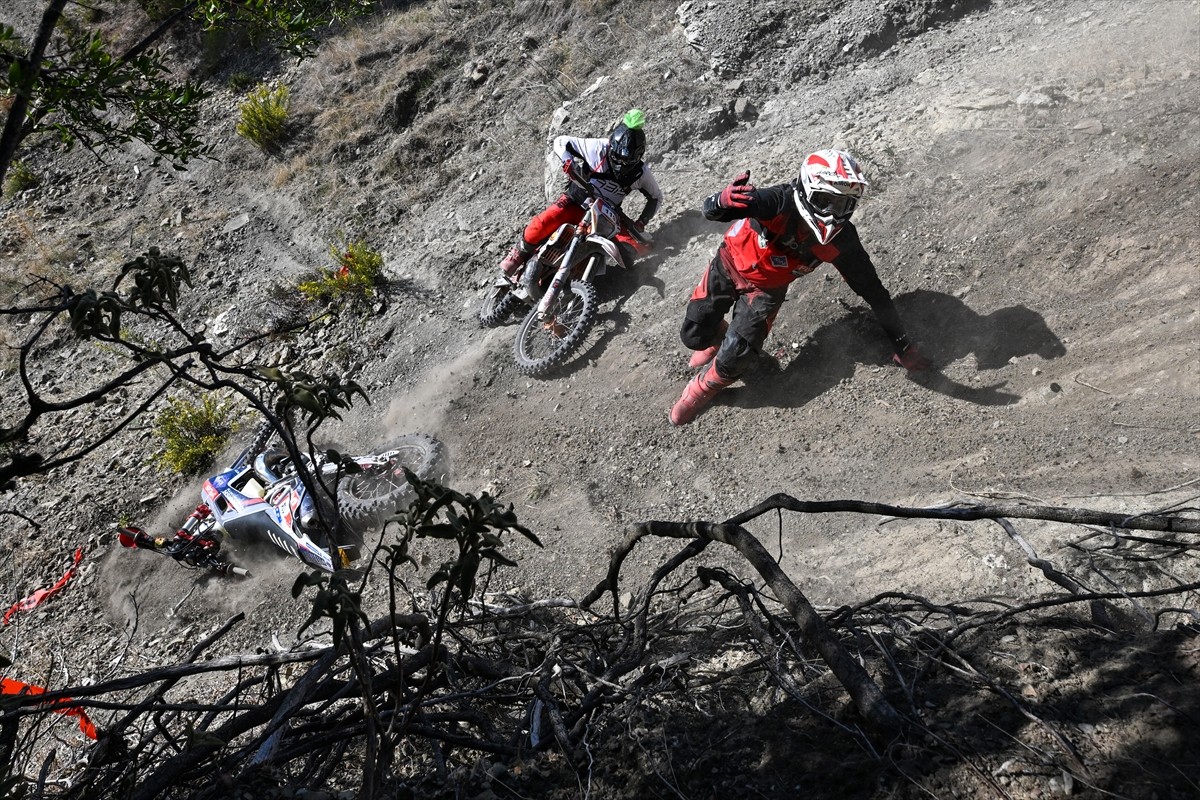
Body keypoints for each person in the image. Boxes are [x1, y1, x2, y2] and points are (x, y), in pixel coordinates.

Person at [670, 149, 929, 426]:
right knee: (693, 335)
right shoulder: (778, 201)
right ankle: (721, 338)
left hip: (766, 291)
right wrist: (720, 201)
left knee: (734, 359)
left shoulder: (842, 242)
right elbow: (713, 211)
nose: (832, 215)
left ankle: (701, 390)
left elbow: (875, 293)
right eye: (825, 201)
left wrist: (903, 345)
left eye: (842, 204)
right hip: (728, 262)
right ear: (805, 190)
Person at [496, 109, 664, 281]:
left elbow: (656, 197)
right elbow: (561, 141)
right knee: (542, 223)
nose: (621, 163)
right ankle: (519, 253)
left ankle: (594, 274)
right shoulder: (598, 148)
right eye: (617, 157)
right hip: (576, 201)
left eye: (627, 160)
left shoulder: (641, 173)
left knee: (635, 248)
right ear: (611, 146)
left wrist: (642, 222)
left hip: (606, 217)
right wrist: (568, 160)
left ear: (638, 156)